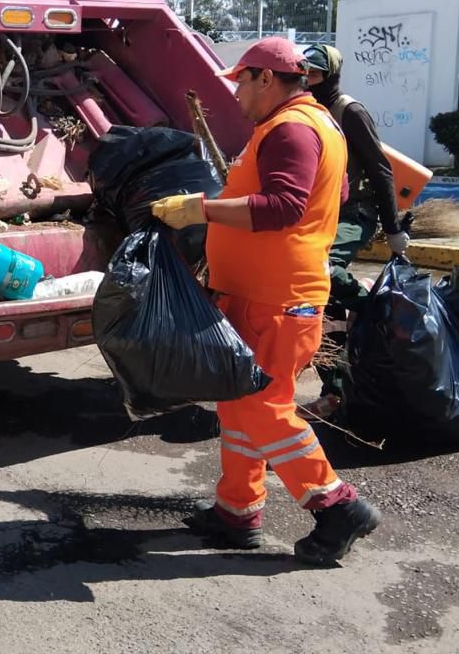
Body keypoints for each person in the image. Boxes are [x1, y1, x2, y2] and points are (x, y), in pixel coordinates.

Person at [150, 37, 381, 565]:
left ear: (267, 78)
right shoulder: (317, 124)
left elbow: (284, 207)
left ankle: (338, 506)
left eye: (242, 82)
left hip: (276, 297)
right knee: (238, 402)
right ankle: (237, 511)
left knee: (262, 408)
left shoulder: (291, 128)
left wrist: (202, 209)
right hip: (263, 291)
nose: (236, 94)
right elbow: (336, 194)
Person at [300, 44, 408, 418]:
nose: (308, 80)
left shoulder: (350, 112)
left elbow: (381, 170)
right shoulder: (305, 111)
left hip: (355, 213)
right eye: (304, 73)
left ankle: (370, 303)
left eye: (315, 73)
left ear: (331, 75)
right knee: (317, 302)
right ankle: (334, 392)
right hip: (321, 212)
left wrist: (393, 229)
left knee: (321, 268)